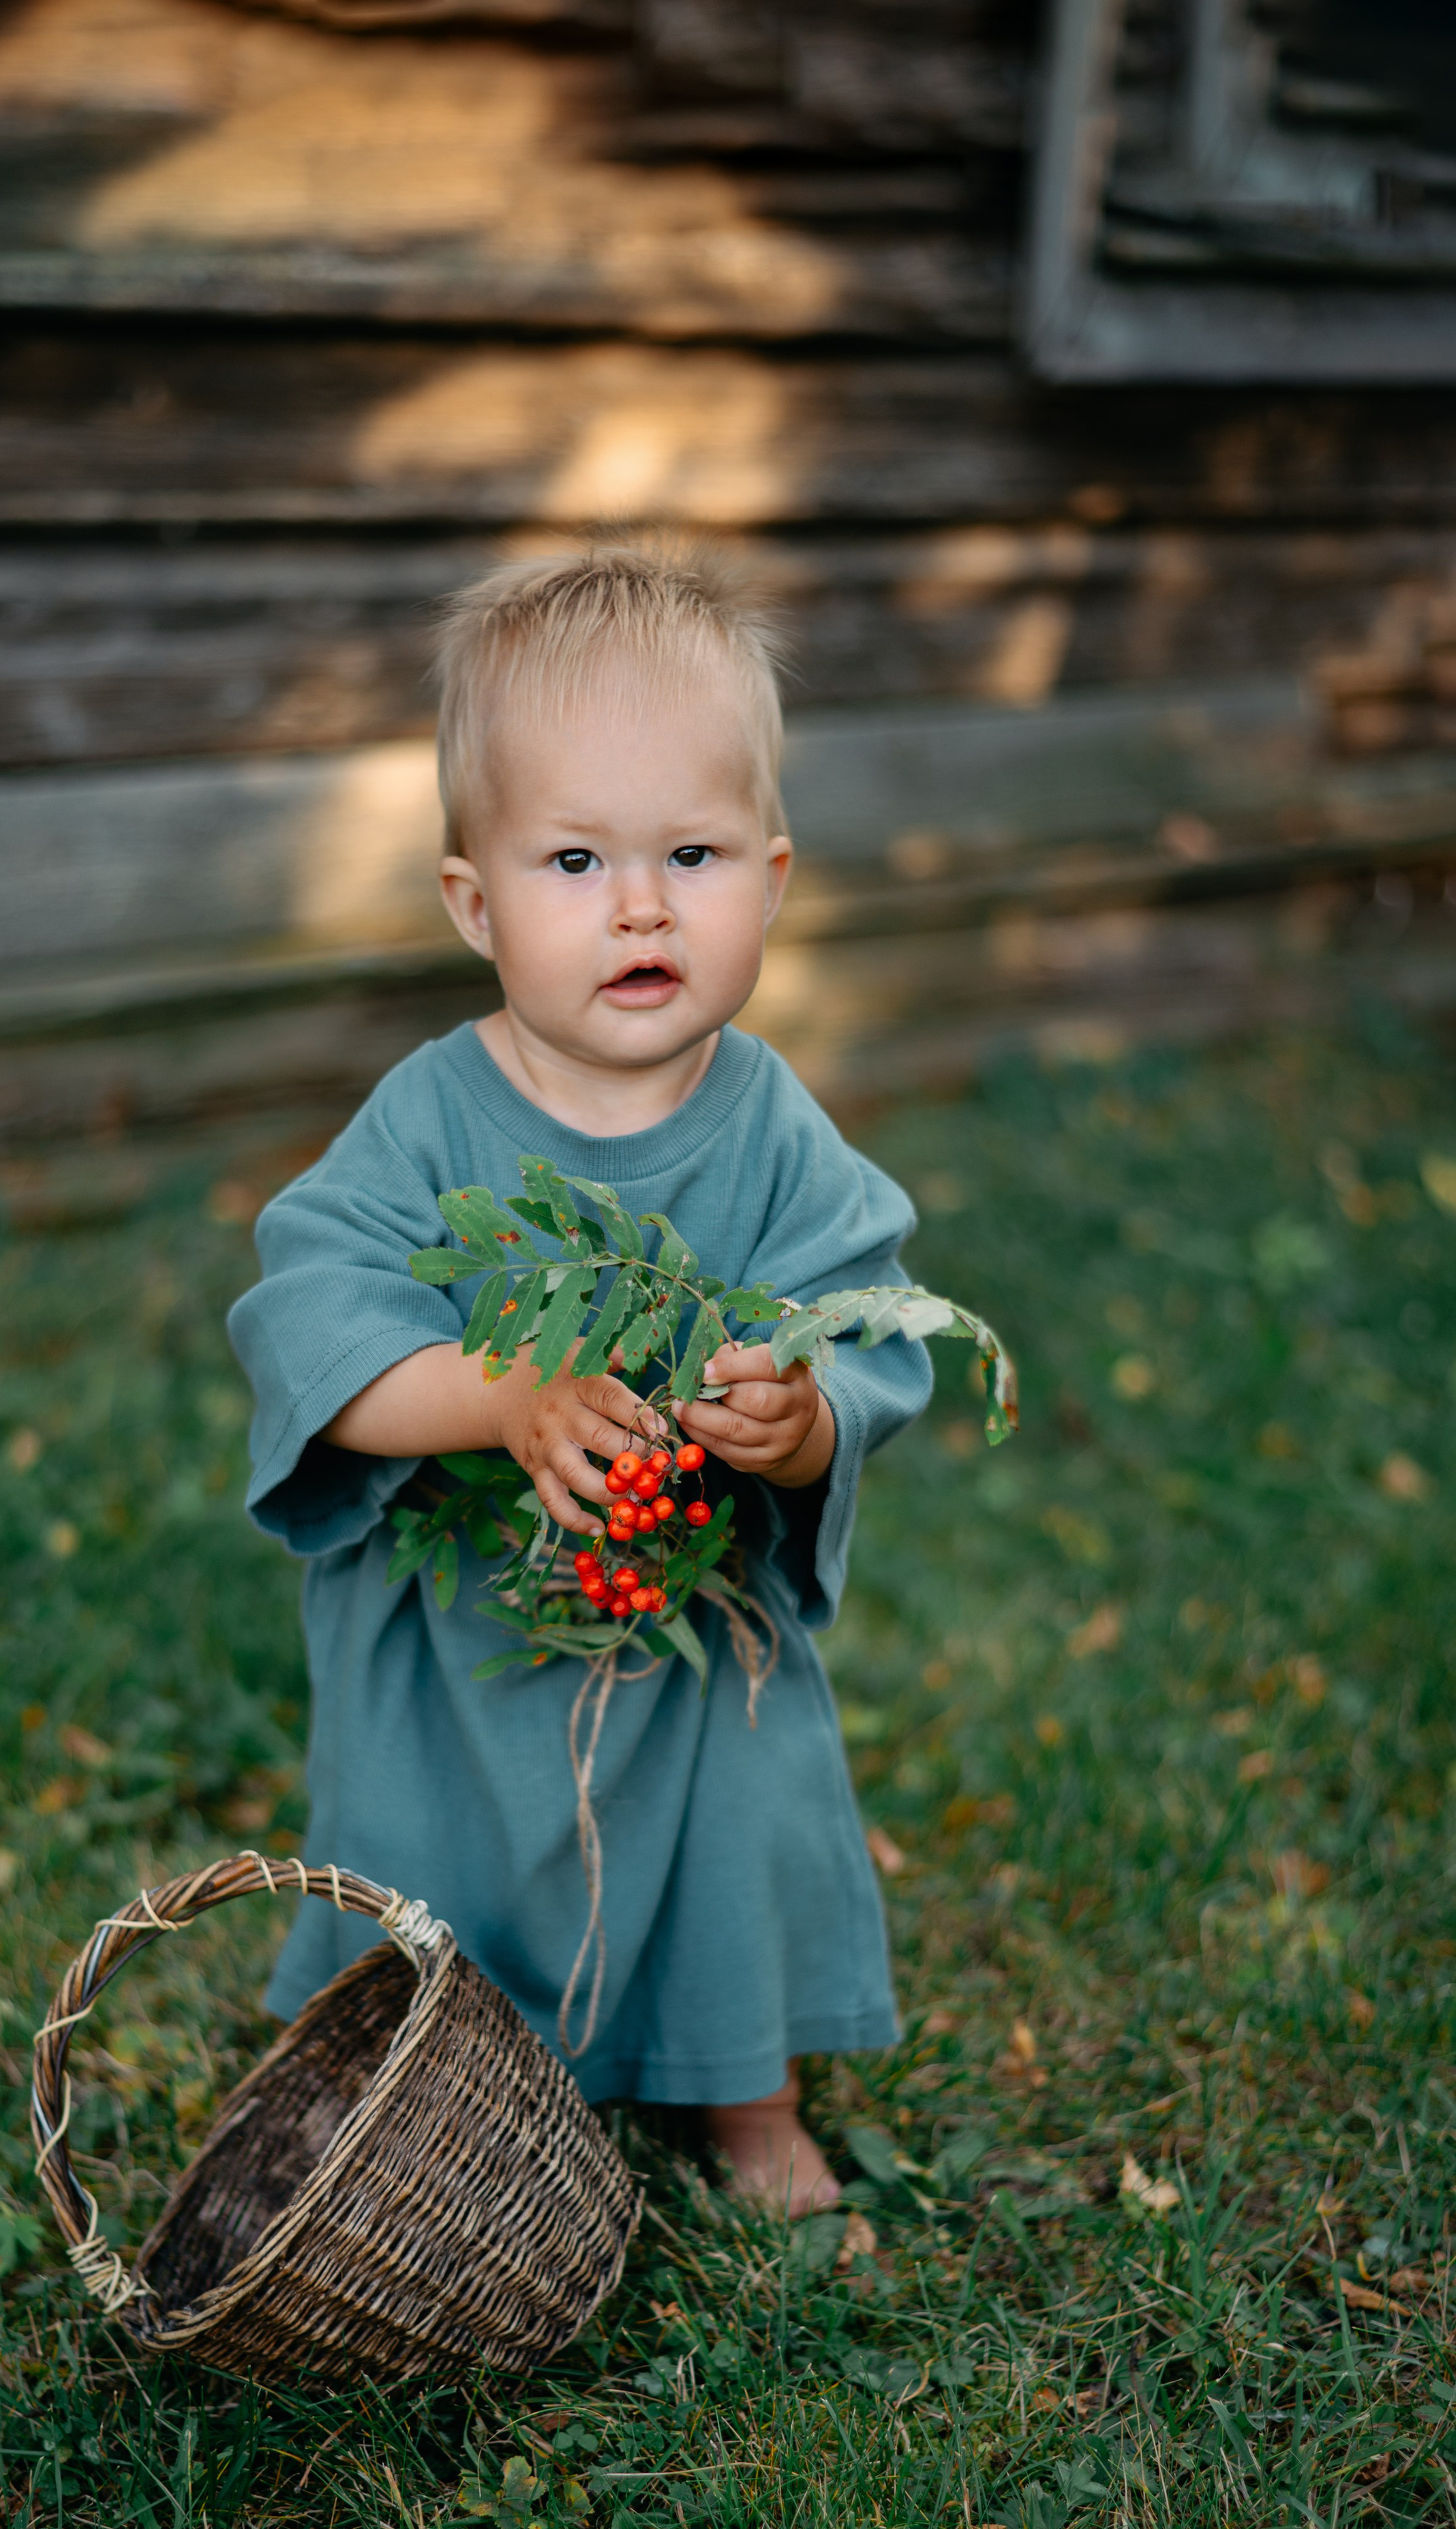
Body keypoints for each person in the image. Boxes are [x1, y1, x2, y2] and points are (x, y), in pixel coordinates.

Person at [228, 541, 931, 2212]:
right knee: (429, 1853)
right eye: (572, 859)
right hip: (466, 1633)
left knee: (735, 1822)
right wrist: (493, 1398)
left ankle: (742, 2097)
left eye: (689, 854)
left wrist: (799, 1420)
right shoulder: (424, 1119)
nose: (637, 904)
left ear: (768, 879)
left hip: (681, 1626)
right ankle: (418, 2103)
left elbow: (871, 1312)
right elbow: (309, 1317)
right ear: (474, 903)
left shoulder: (767, 1123)